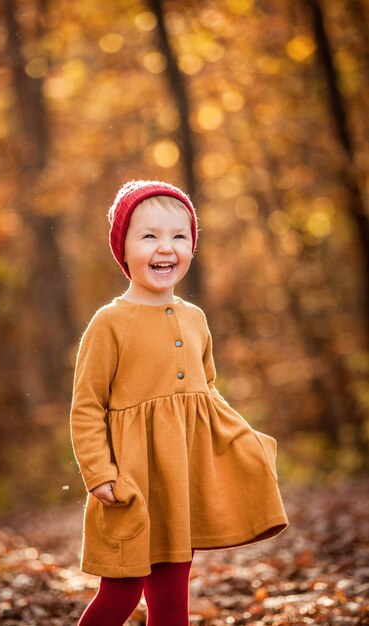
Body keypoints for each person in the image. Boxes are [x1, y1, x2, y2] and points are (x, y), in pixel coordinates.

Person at [70, 180, 288, 626]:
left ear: (192, 246)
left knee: (172, 606)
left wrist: (244, 442)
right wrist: (99, 473)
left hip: (178, 488)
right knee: (121, 596)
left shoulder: (195, 318)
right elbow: (87, 405)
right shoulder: (110, 323)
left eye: (179, 236)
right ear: (123, 247)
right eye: (149, 235)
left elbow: (207, 395)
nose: (165, 247)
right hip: (131, 487)